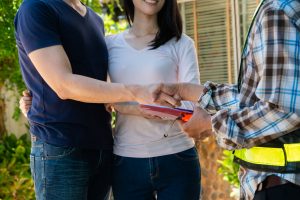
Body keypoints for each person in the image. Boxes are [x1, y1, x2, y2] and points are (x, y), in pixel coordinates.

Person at [20, 0, 202, 199]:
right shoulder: (37, 8)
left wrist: (134, 105)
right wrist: (37, 100)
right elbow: (67, 85)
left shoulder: (95, 21)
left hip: (107, 149)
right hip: (74, 150)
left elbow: (104, 90)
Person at [153, 0, 300, 199]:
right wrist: (187, 91)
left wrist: (211, 125)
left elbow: (285, 109)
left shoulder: (278, 10)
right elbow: (255, 96)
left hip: (282, 183)